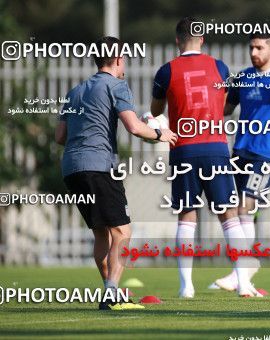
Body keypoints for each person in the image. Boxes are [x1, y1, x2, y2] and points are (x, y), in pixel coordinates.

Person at [55, 36, 177, 310]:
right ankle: (111, 294)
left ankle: (111, 292)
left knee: (101, 233)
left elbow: (60, 136)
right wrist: (160, 133)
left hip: (72, 168)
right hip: (99, 166)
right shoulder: (116, 85)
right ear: (118, 58)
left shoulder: (75, 91)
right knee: (122, 232)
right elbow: (134, 127)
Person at [150, 17, 261, 298]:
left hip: (183, 149)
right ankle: (244, 283)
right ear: (202, 39)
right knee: (229, 216)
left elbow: (155, 111)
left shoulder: (166, 71)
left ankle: (186, 286)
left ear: (177, 40)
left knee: (187, 217)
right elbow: (224, 108)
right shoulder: (219, 67)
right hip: (215, 148)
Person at [213, 33, 270, 292]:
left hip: (267, 154)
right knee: (238, 208)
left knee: (245, 206)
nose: (254, 53)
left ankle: (241, 269)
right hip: (241, 150)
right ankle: (245, 267)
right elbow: (225, 109)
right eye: (251, 48)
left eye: (259, 48)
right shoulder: (243, 77)